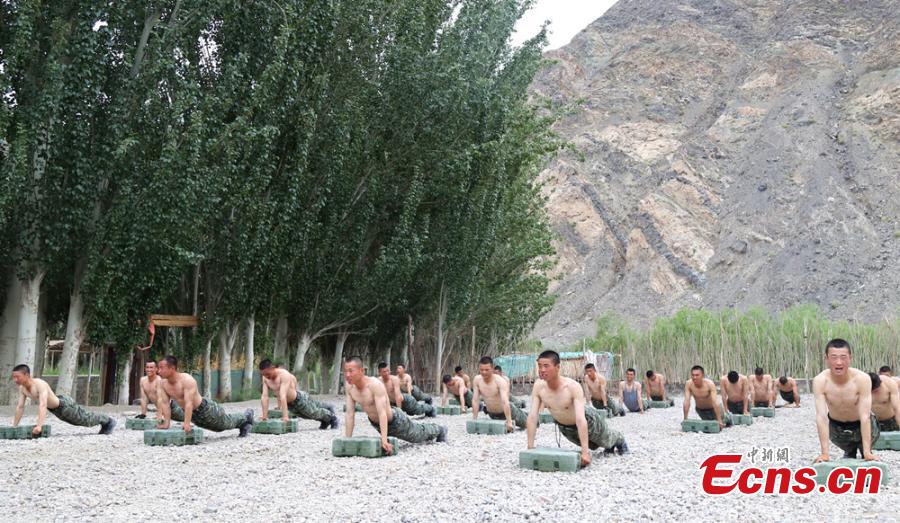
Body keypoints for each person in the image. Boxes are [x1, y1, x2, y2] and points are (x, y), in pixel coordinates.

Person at [526, 351, 628, 467]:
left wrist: (585, 453)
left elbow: (580, 419)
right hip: (566, 427)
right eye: (540, 366)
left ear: (557, 367)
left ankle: (619, 439)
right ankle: (607, 445)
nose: (542, 370)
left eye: (546, 366)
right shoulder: (538, 386)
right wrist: (530, 447)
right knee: (594, 446)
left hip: (589, 420)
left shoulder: (572, 387)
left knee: (605, 439)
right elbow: (532, 417)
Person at [343, 356, 447, 453]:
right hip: (378, 425)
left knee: (418, 435)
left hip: (395, 421)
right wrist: (347, 440)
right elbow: (349, 415)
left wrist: (384, 440)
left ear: (362, 371)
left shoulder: (374, 385)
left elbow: (382, 413)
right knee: (415, 433)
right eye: (345, 371)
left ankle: (439, 429)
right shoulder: (350, 387)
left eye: (351, 371)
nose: (347, 375)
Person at [812, 339, 879, 462]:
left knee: (866, 447)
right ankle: (849, 449)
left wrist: (867, 452)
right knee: (848, 449)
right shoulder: (820, 381)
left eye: (843, 357)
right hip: (837, 428)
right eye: (834, 357)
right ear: (826, 359)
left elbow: (865, 417)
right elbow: (821, 417)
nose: (839, 362)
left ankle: (864, 449)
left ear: (850, 358)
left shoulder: (862, 379)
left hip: (860, 424)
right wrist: (825, 454)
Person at [155, 355, 253, 437]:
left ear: (172, 368)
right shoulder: (162, 384)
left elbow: (189, 403)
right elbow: (165, 404)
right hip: (191, 413)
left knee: (224, 424)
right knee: (217, 429)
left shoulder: (187, 380)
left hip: (205, 409)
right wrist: (166, 424)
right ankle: (244, 423)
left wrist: (186, 424)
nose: (158, 371)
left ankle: (246, 416)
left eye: (161, 368)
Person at [11, 364, 116, 435]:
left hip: (64, 405)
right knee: (79, 422)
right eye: (14, 377)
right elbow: (20, 407)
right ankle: (105, 422)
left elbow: (43, 405)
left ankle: (109, 421)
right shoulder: (22, 388)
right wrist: (14, 426)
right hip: (56, 410)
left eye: (17, 377)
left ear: (27, 375)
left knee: (85, 419)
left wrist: (39, 426)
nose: (15, 380)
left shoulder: (39, 384)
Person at [259, 359, 337, 429]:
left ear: (272, 368)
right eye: (264, 374)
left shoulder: (283, 375)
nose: (266, 376)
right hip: (289, 404)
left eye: (268, 374)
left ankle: (332, 417)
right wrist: (264, 416)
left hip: (299, 399)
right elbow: (265, 397)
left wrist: (285, 416)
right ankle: (325, 418)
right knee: (307, 416)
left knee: (313, 413)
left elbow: (283, 395)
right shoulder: (265, 378)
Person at [471, 356, 528, 431]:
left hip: (508, 411)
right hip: (492, 414)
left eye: (487, 370)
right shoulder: (477, 380)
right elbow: (475, 400)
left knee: (531, 423)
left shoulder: (500, 381)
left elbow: (505, 402)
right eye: (482, 370)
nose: (484, 372)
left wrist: (509, 421)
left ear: (492, 369)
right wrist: (474, 420)